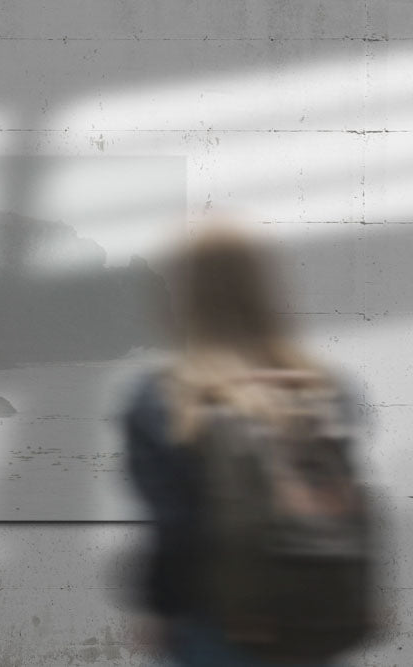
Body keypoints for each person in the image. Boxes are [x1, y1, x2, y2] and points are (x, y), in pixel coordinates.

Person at [122, 226, 373, 666]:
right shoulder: (326, 390)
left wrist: (161, 610)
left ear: (183, 296)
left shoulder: (165, 398)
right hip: (317, 619)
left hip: (219, 625)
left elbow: (175, 529)